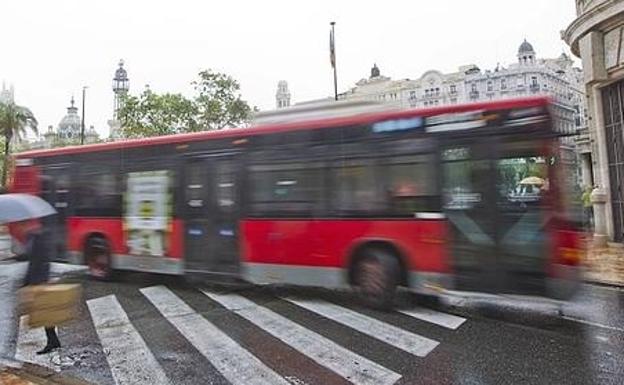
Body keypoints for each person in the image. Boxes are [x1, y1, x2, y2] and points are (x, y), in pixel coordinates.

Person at [13, 218, 61, 355]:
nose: (20, 229)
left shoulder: (38, 237)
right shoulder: (33, 237)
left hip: (40, 281)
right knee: (44, 311)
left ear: (27, 224)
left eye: (21, 225)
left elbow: (40, 261)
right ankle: (53, 341)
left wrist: (38, 282)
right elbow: (32, 259)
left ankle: (52, 342)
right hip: (37, 280)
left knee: (44, 312)